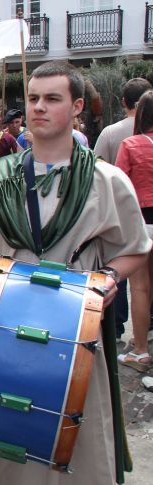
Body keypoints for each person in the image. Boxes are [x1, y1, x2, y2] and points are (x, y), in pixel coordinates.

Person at [0, 61, 150, 485]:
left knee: (81, 439)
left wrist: (111, 277)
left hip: (75, 332)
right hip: (2, 329)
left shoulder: (106, 180)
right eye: (34, 99)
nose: (39, 107)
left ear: (77, 107)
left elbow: (134, 249)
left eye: (52, 99)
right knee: (10, 438)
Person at [94, 77, 153, 342]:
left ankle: (134, 343)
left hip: (138, 218)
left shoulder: (125, 140)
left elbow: (116, 183)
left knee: (136, 285)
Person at [115, 89, 153, 371]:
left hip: (143, 221)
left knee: (140, 288)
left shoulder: (132, 144)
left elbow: (119, 187)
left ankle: (140, 351)